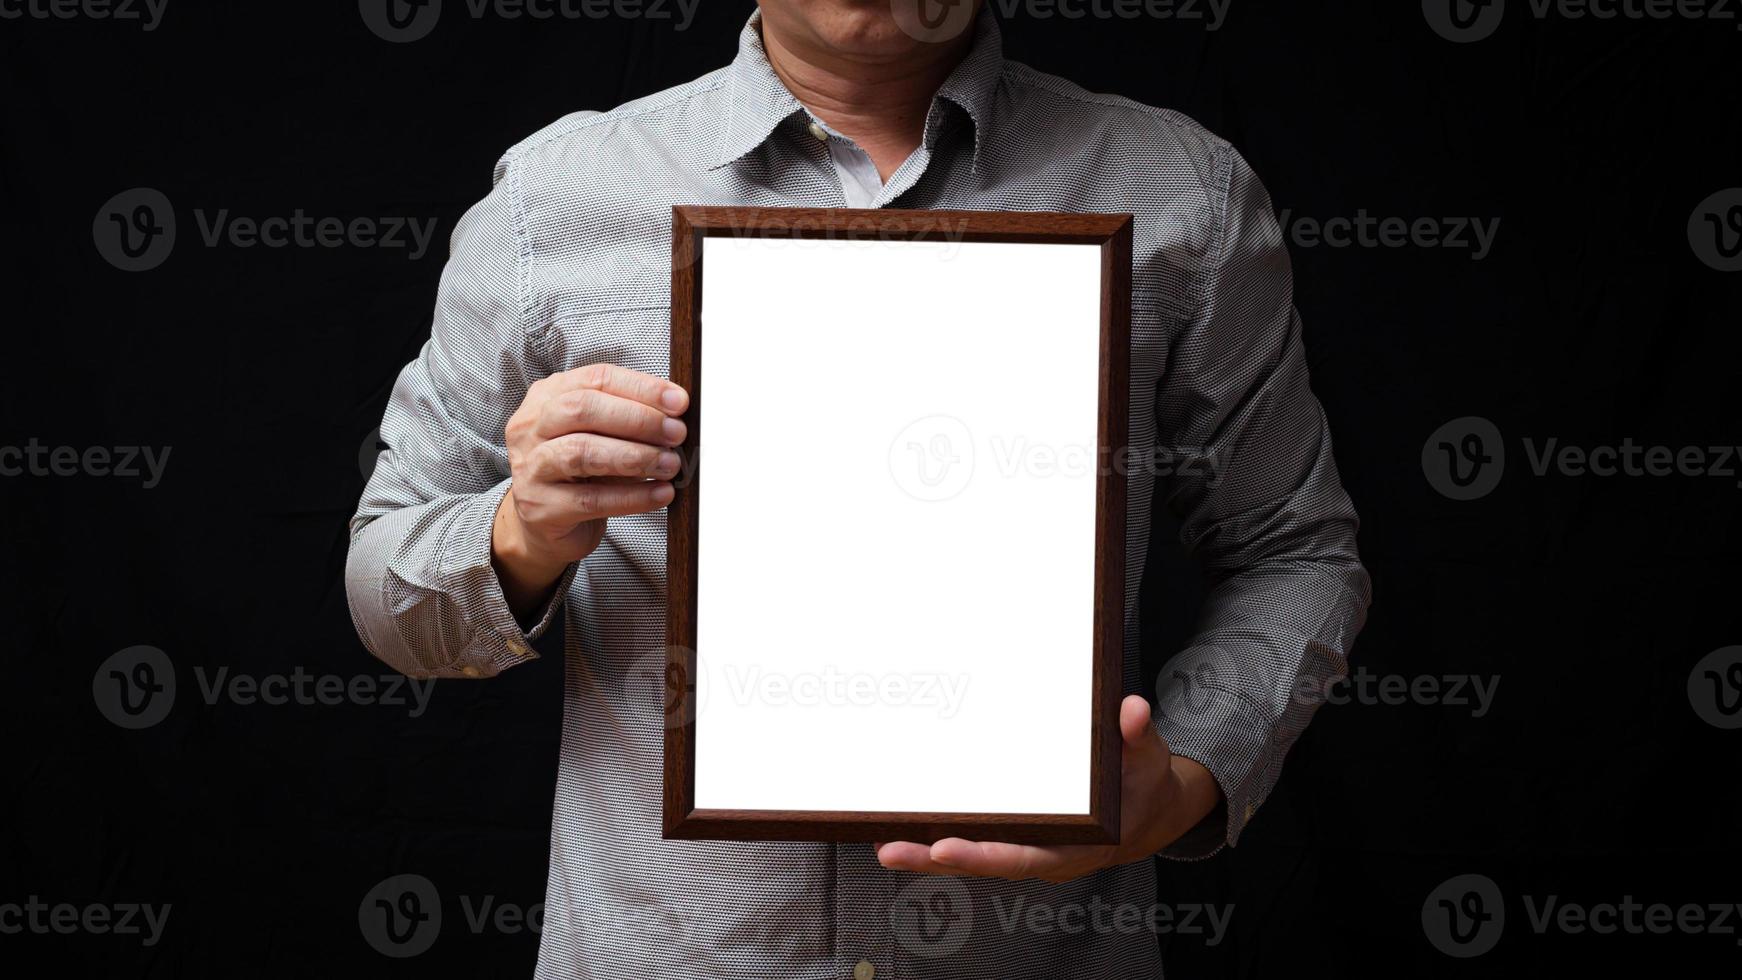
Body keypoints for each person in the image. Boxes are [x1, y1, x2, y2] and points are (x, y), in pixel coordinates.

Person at [346, 2, 1370, 976]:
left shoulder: (1181, 190)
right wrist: (521, 530)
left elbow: (1291, 549)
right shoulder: (554, 197)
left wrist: (1187, 772)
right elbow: (385, 583)